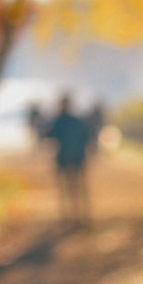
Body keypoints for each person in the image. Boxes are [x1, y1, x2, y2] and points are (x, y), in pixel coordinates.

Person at [42, 90, 102, 225]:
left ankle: (73, 215)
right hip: (75, 158)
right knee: (77, 187)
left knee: (70, 187)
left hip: (67, 158)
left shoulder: (58, 122)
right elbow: (87, 137)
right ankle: (78, 215)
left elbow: (48, 136)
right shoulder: (77, 121)